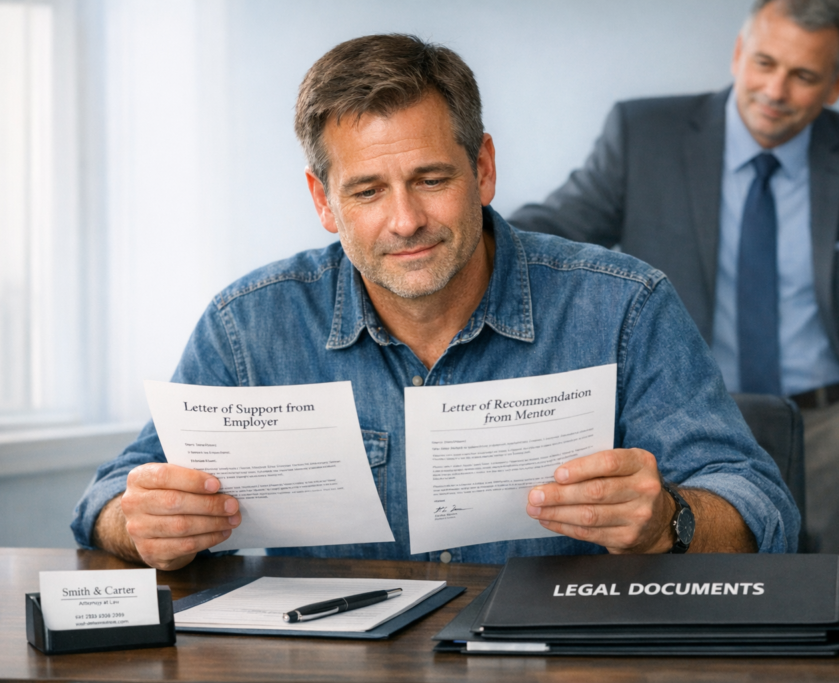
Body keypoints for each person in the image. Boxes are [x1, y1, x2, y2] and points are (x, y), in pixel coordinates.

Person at [71, 34, 798, 571]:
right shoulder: (247, 325)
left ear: (482, 168)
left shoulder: (624, 305)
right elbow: (107, 497)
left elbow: (760, 509)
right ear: (323, 202)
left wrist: (667, 519)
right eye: (366, 191)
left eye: (429, 178)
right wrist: (137, 522)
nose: (405, 220)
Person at [510, 0, 839, 563]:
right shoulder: (643, 134)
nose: (775, 90)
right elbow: (550, 233)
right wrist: (465, 227)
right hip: (683, 427)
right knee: (696, 608)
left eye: (803, 76)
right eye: (765, 63)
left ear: (838, 83)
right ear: (738, 53)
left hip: (837, 433)